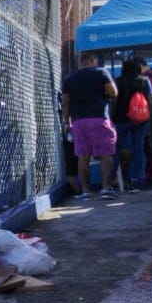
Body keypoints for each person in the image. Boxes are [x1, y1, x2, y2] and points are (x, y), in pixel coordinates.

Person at [61, 52, 118, 200]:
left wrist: (66, 122)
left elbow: (65, 102)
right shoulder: (101, 72)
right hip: (99, 118)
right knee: (106, 154)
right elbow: (113, 93)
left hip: (78, 122)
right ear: (92, 60)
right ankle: (106, 188)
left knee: (83, 156)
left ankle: (85, 191)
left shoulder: (70, 79)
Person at [110, 59, 151, 193]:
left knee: (116, 149)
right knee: (139, 148)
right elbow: (150, 100)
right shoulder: (145, 82)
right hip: (140, 119)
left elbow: (114, 100)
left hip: (121, 118)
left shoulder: (117, 81)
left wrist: (111, 116)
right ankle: (137, 179)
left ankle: (111, 180)